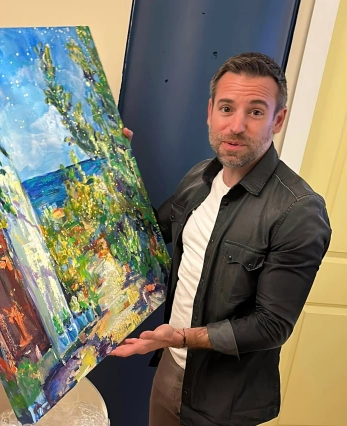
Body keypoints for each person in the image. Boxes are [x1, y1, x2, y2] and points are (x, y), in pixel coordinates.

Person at [110, 52, 332, 426]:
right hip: (169, 368)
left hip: (225, 399)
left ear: (278, 120)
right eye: (227, 108)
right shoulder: (199, 178)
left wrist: (180, 337)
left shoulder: (299, 211)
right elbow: (147, 235)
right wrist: (111, 166)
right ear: (210, 111)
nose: (236, 126)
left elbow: (271, 325)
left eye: (256, 112)